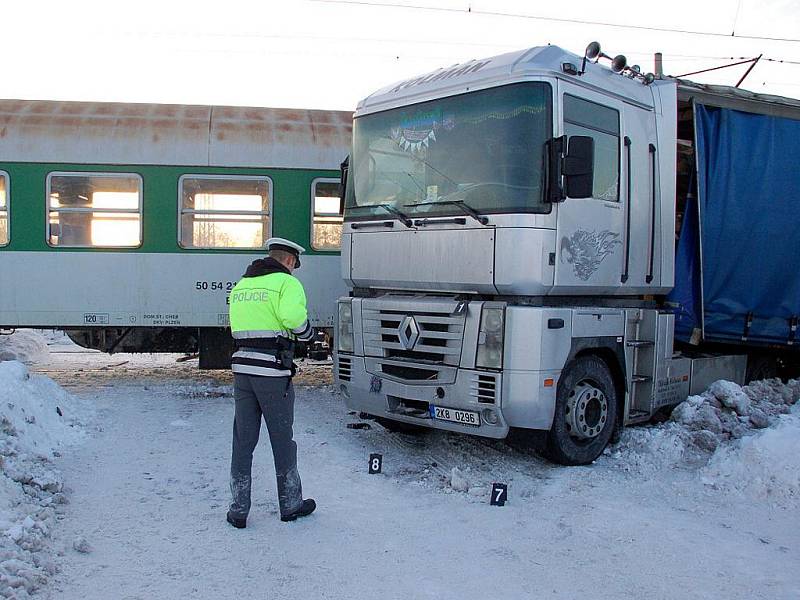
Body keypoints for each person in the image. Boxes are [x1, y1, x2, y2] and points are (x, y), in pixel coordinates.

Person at [226, 237, 316, 527]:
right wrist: (307, 333)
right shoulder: (286, 283)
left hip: (243, 373)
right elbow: (292, 318)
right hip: (273, 374)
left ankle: (238, 510)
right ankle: (290, 505)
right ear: (289, 261)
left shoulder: (242, 285)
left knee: (243, 440)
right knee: (282, 440)